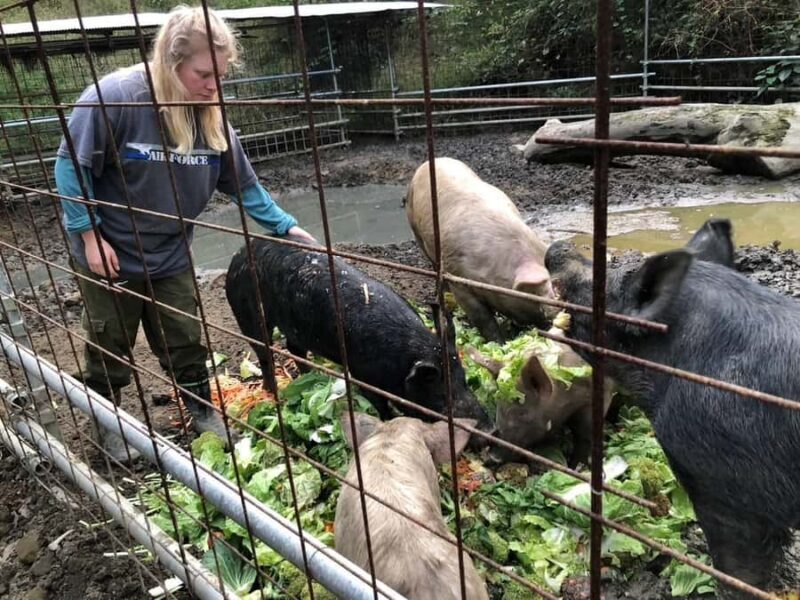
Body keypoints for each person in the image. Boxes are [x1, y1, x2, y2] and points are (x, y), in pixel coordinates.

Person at [54, 5, 316, 462]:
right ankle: (107, 423)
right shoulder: (115, 97)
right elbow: (70, 166)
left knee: (185, 338)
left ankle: (200, 412)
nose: (214, 86)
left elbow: (244, 185)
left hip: (170, 251)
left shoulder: (208, 116)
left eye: (221, 74)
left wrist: (287, 228)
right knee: (110, 338)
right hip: (109, 248)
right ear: (172, 63)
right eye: (203, 74)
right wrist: (89, 236)